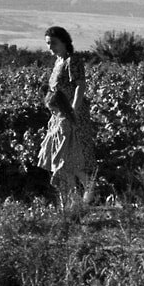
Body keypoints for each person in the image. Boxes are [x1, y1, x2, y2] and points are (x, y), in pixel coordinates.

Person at [38, 26, 96, 203]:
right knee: (64, 159)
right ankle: (75, 201)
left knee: (73, 158)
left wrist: (72, 112)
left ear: (64, 42)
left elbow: (80, 87)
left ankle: (88, 197)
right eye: (48, 44)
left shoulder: (72, 61)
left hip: (72, 116)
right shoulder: (58, 62)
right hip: (60, 116)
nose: (50, 47)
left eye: (54, 43)